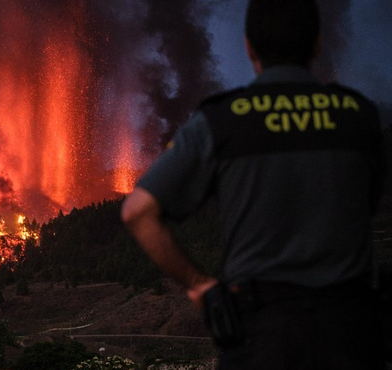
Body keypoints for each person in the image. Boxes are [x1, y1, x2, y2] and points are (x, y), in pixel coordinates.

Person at [121, 0, 387, 369]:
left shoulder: (222, 120)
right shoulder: (361, 117)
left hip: (262, 336)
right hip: (350, 337)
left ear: (248, 47)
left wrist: (199, 284)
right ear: (317, 44)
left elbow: (137, 211)